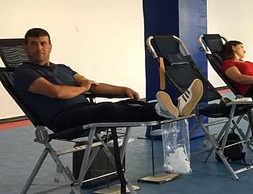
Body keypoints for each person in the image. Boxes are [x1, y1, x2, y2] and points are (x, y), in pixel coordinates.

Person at [13, 28, 203, 133]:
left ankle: (177, 105)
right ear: (25, 47)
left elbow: (93, 87)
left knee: (127, 104)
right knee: (107, 109)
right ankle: (161, 111)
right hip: (62, 120)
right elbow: (57, 93)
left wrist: (122, 89)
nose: (39, 48)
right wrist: (83, 88)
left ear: (50, 47)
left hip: (83, 111)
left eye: (43, 43)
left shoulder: (62, 68)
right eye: (34, 44)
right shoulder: (24, 72)